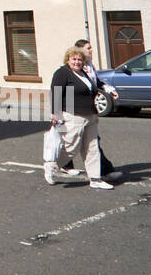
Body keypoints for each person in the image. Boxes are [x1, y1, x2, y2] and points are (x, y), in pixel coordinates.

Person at [47, 47, 113, 189]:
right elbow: (56, 92)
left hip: (90, 115)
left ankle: (95, 178)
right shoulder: (62, 73)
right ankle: (51, 165)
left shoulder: (83, 73)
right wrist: (55, 113)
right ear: (68, 59)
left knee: (92, 147)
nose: (77, 62)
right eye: (74, 59)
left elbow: (92, 90)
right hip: (73, 115)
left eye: (79, 60)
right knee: (71, 147)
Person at [59, 39, 124, 181]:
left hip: (89, 109)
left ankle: (100, 172)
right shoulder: (71, 69)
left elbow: (97, 82)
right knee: (73, 141)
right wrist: (62, 113)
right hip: (75, 110)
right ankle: (57, 164)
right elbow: (62, 92)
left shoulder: (89, 66)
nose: (91, 50)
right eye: (88, 48)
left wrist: (109, 89)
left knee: (91, 143)